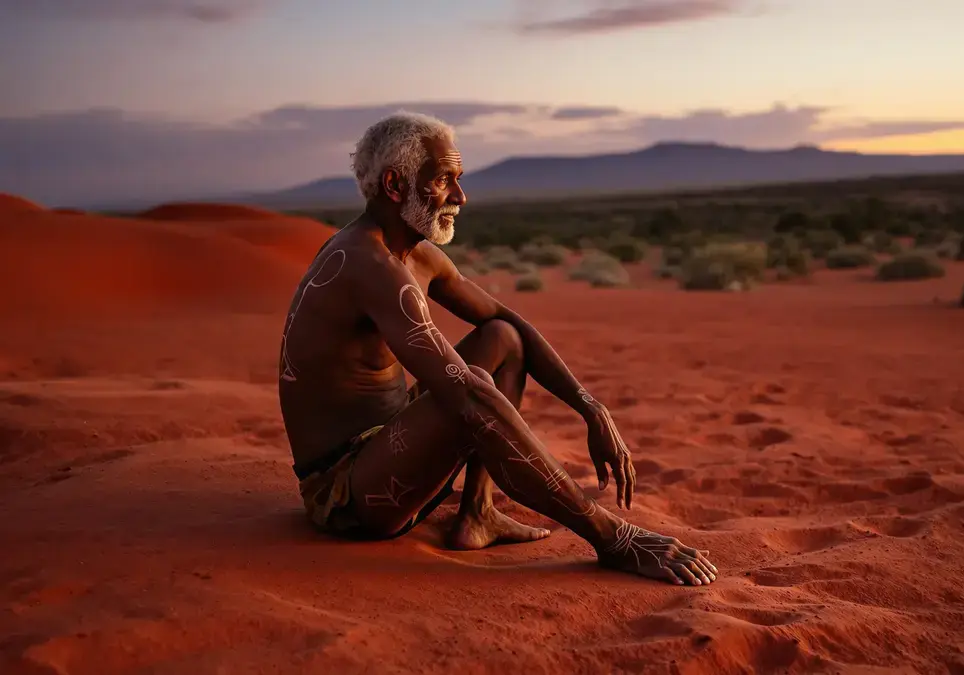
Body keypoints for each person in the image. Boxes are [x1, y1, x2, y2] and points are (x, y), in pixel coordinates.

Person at [276, 111, 717, 586]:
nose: (460, 196)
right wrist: (613, 534)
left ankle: (479, 513)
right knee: (472, 389)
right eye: (443, 180)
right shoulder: (370, 264)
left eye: (459, 179)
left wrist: (590, 407)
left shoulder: (416, 255)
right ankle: (611, 537)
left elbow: (508, 322)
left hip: (388, 442)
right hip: (344, 494)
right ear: (395, 185)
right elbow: (467, 395)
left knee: (501, 339)